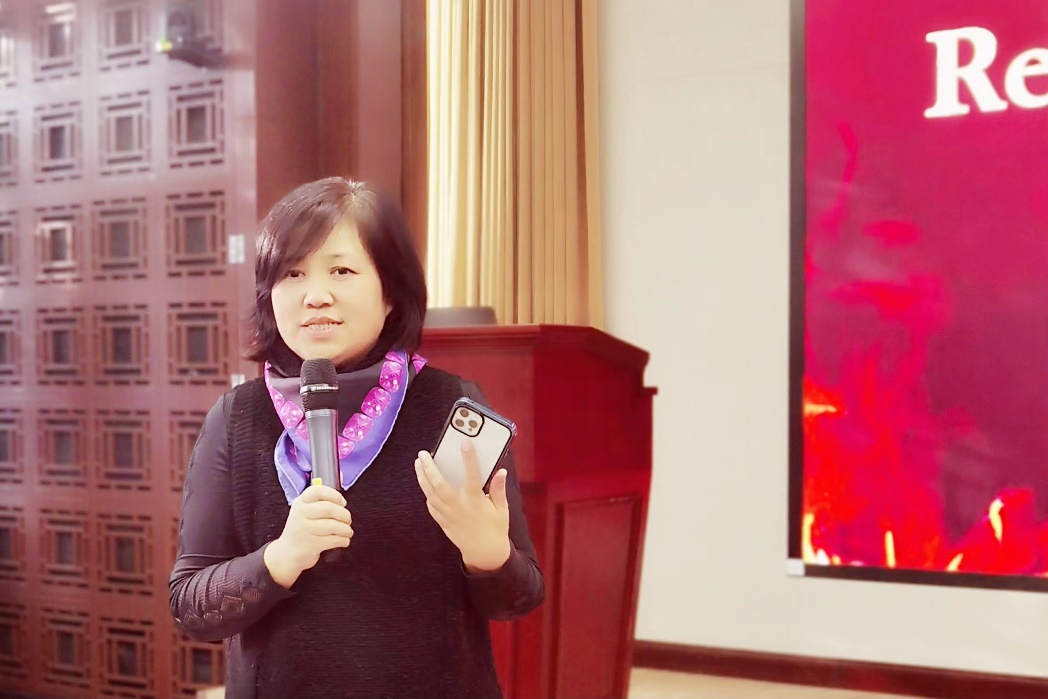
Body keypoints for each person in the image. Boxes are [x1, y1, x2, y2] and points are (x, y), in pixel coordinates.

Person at [169, 177, 544, 699]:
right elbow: (191, 605)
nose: (315, 296)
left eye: (341, 271)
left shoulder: (449, 406)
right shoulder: (237, 418)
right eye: (292, 273)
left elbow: (519, 599)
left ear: (390, 293)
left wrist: (487, 553)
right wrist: (282, 557)